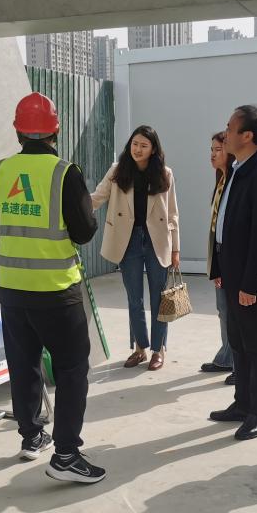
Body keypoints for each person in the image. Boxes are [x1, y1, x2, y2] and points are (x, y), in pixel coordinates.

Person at [0, 92, 105, 484]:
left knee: (24, 365)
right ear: (56, 129)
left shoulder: (2, 170)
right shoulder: (65, 173)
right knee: (72, 370)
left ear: (18, 131)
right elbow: (84, 232)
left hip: (13, 291)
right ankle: (66, 455)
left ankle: (31, 436)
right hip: (56, 291)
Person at [207, 106, 257, 440]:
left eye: (230, 128)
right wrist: (219, 268)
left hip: (251, 279)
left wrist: (251, 284)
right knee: (238, 340)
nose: (225, 134)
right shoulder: (237, 169)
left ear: (247, 135)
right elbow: (223, 224)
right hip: (232, 271)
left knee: (256, 344)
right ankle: (243, 403)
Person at [90, 125, 180, 371]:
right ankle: (140, 348)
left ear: (153, 149)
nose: (137, 149)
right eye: (134, 144)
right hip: (127, 240)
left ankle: (158, 349)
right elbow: (97, 197)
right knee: (134, 298)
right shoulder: (118, 170)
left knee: (159, 297)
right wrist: (73, 208)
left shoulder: (165, 174)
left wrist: (176, 249)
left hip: (157, 240)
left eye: (144, 145)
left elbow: (173, 214)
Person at [200, 131, 236, 386]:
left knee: (231, 313)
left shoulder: (235, 181)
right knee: (223, 310)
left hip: (229, 258)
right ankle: (227, 356)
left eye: (218, 149)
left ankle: (234, 360)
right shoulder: (222, 179)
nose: (213, 154)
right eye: (211, 150)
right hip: (219, 256)